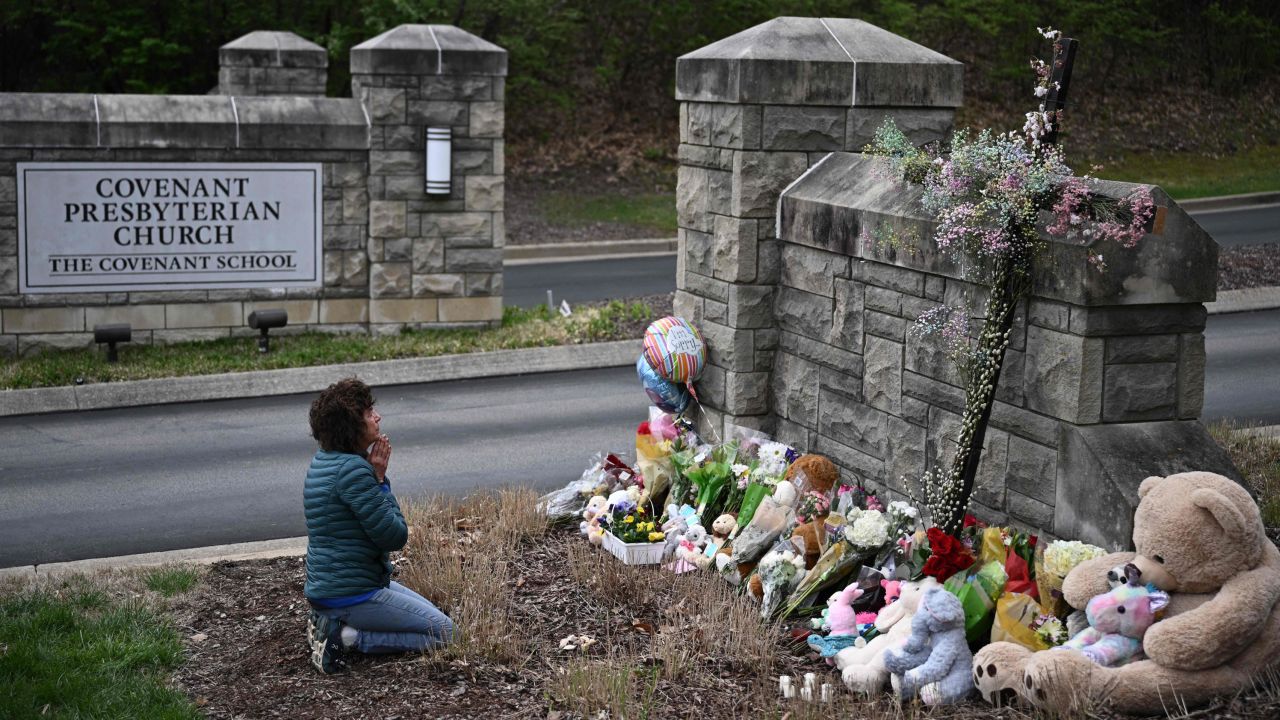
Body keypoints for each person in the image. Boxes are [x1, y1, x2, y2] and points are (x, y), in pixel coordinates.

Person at [303, 377, 454, 673]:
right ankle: (347, 637)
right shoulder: (355, 471)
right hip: (352, 593)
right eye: (368, 412)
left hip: (336, 587)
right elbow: (394, 536)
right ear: (352, 426)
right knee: (447, 633)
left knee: (438, 617)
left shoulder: (325, 460)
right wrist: (380, 481)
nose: (377, 416)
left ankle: (327, 620)